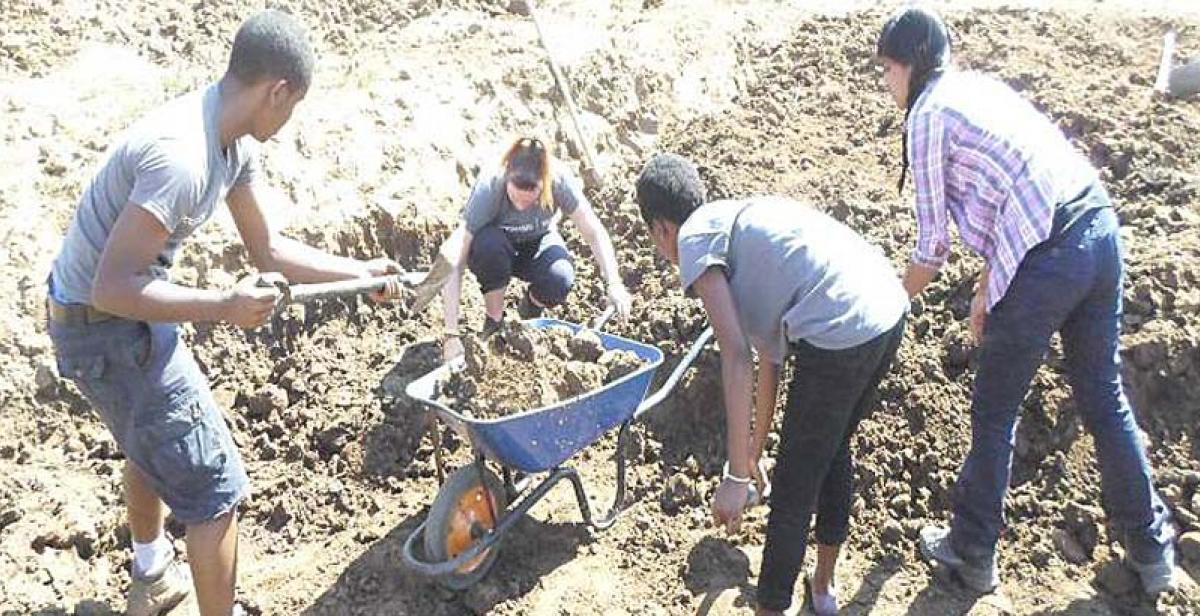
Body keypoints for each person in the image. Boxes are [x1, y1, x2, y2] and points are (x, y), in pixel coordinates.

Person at [46, 10, 403, 616]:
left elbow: (269, 249)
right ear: (278, 91)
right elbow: (111, 287)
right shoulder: (181, 156)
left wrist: (359, 272)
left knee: (151, 444)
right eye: (292, 108)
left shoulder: (230, 141)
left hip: (117, 319)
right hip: (102, 329)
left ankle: (152, 575)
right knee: (215, 489)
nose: (288, 123)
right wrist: (223, 307)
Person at [875, 6, 1178, 595]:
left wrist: (887, 305)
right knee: (1101, 395)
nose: (886, 83)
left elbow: (931, 246)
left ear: (911, 64)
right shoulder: (976, 88)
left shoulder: (929, 115)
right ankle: (1151, 550)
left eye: (887, 69)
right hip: (1097, 227)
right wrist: (990, 285)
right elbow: (1015, 184)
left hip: (1048, 255)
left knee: (995, 411)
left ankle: (971, 551)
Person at [635, 153, 908, 615]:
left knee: (794, 484)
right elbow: (768, 359)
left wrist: (737, 477)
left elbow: (736, 357)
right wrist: (751, 455)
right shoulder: (738, 223)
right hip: (886, 312)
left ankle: (772, 607)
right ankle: (823, 589)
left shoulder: (695, 240)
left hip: (842, 329)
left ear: (662, 228)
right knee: (832, 448)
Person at [435, 137, 631, 361]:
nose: (520, 206)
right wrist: (451, 335)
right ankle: (494, 321)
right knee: (490, 246)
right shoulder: (490, 186)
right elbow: (454, 257)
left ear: (544, 184)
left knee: (560, 278)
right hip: (495, 248)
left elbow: (593, 232)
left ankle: (529, 312)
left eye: (528, 201)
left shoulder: (559, 180)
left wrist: (614, 283)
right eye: (514, 198)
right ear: (507, 177)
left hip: (537, 242)